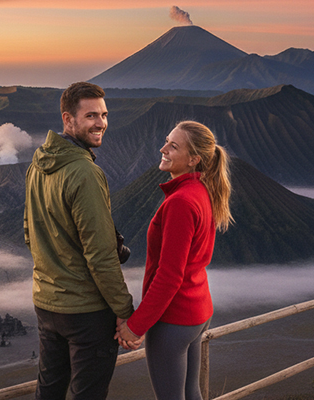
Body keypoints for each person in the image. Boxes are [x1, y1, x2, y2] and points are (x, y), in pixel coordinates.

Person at [24, 81, 134, 400]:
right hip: (86, 313)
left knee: (49, 392)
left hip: (46, 304)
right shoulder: (84, 173)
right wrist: (125, 311)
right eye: (90, 116)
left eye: (104, 114)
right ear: (68, 120)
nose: (100, 123)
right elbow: (101, 256)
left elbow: (30, 232)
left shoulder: (38, 163)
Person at [115, 120, 233, 400]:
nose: (163, 148)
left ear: (194, 160)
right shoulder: (202, 192)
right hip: (197, 313)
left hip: (174, 320)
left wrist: (135, 326)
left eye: (173, 146)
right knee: (191, 394)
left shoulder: (180, 202)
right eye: (167, 140)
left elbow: (169, 276)